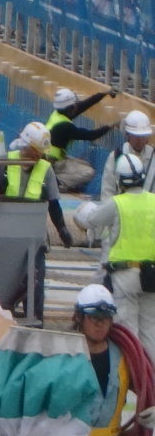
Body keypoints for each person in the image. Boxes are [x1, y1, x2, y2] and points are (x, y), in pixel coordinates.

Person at [75, 153, 155, 359]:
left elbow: (91, 219)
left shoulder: (118, 203)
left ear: (120, 180)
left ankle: (130, 379)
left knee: (128, 332)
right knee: (151, 333)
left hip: (126, 275)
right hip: (152, 276)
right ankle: (150, 380)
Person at [70, 283, 147, 436]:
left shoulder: (124, 358)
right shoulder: (64, 355)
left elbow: (147, 388)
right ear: (79, 317)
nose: (100, 324)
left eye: (105, 318)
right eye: (94, 317)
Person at [7, 122, 75, 249]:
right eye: (36, 151)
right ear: (25, 147)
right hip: (8, 229)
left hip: (35, 231)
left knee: (37, 264)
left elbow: (53, 204)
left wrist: (62, 229)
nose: (39, 155)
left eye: (41, 152)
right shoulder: (6, 163)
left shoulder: (45, 169)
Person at [49, 86, 118, 194]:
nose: (77, 107)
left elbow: (84, 105)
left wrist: (104, 94)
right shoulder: (65, 127)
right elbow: (91, 135)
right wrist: (109, 126)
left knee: (85, 164)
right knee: (88, 172)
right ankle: (56, 182)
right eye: (75, 106)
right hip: (52, 163)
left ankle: (53, 176)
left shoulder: (58, 114)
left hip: (51, 159)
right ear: (70, 108)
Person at [103, 110, 155, 198]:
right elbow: (108, 189)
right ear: (128, 134)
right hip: (122, 209)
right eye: (137, 136)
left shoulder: (153, 156)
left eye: (143, 136)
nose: (140, 140)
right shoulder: (116, 156)